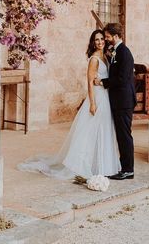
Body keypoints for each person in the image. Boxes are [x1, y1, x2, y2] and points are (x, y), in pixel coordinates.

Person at [17, 30, 121, 179]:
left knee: (103, 130)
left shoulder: (106, 56)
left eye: (102, 39)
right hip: (97, 97)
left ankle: (100, 164)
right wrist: (92, 103)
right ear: (93, 42)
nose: (100, 42)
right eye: (96, 40)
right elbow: (90, 83)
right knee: (88, 132)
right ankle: (79, 164)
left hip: (106, 97)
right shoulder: (94, 59)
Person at [95, 22, 136, 180]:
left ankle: (128, 170)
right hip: (118, 100)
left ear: (116, 36)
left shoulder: (124, 53)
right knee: (120, 135)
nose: (106, 39)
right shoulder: (116, 51)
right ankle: (125, 166)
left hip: (124, 101)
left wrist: (103, 82)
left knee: (124, 135)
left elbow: (122, 78)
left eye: (108, 37)